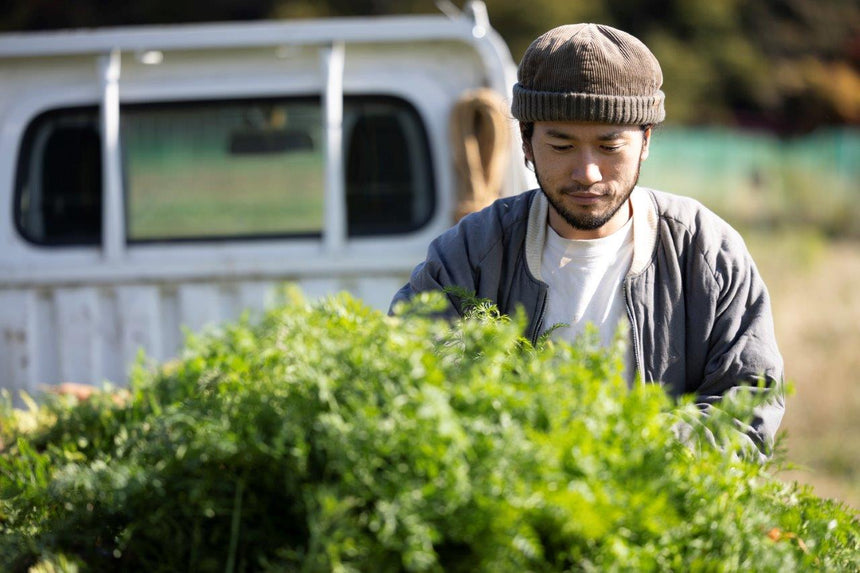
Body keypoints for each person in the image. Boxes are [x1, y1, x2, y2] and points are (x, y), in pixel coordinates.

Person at [390, 23, 784, 457]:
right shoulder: (470, 252)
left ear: (646, 140)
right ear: (526, 141)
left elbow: (748, 402)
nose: (587, 173)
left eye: (610, 146)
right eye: (561, 146)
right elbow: (409, 377)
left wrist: (635, 450)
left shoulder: (705, 252)